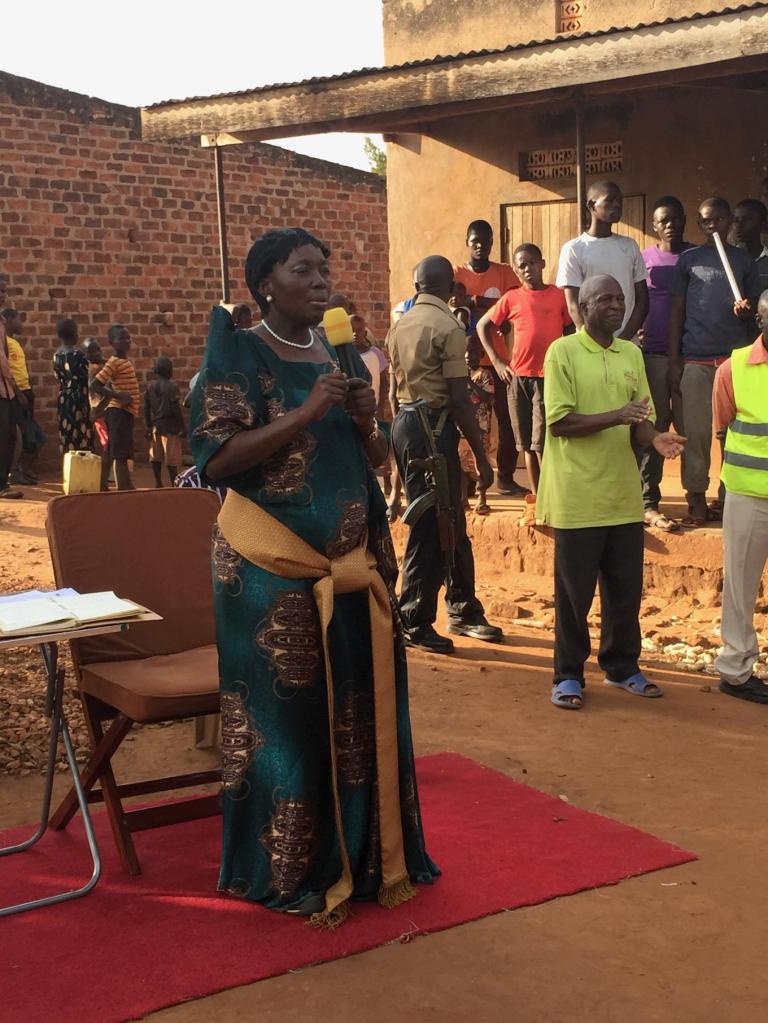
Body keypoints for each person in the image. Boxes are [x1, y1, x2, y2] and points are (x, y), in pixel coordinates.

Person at [190, 227, 438, 924]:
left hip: (353, 570)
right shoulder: (236, 354)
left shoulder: (336, 350)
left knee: (359, 714)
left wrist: (366, 422)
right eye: (305, 268)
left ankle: (367, 863)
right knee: (290, 728)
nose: (322, 278)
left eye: (325, 266)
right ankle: (289, 870)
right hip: (273, 574)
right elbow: (215, 459)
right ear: (267, 283)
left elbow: (380, 462)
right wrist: (305, 412)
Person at [536, 275, 686, 710]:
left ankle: (622, 667)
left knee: (624, 590)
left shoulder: (631, 354)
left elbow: (638, 419)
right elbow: (559, 422)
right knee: (573, 595)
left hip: (623, 496)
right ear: (582, 307)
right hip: (577, 497)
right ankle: (568, 676)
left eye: (621, 298)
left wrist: (653, 437)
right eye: (606, 298)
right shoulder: (562, 352)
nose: (616, 305)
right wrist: (618, 415)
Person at [388, 254, 503, 653]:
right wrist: (482, 457)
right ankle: (415, 619)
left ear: (418, 284)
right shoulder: (448, 327)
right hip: (432, 430)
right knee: (431, 525)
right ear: (449, 286)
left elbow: (393, 390)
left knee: (448, 518)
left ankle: (463, 606)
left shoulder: (399, 324)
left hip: (406, 426)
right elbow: (458, 398)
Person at [668, 197, 757, 526]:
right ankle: (695, 498)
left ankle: (728, 495)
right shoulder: (689, 261)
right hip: (696, 360)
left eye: (718, 219)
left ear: (729, 220)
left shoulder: (743, 261)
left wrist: (746, 314)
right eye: (706, 221)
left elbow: (754, 317)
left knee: (730, 434)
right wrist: (676, 360)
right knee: (696, 433)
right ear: (700, 225)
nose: (713, 226)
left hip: (733, 360)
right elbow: (677, 311)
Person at [476, 243, 572, 497]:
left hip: (547, 376)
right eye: (521, 265)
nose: (528, 269)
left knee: (542, 442)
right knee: (526, 442)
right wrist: (497, 361)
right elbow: (483, 325)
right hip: (518, 378)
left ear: (542, 263)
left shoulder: (558, 295)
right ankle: (538, 497)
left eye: (532, 263)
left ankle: (553, 494)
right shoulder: (511, 298)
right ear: (517, 272)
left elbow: (571, 331)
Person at [712, 290, 768, 705]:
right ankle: (735, 669)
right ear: (759, 321)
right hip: (749, 497)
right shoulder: (733, 369)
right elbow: (722, 431)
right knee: (741, 585)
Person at [453, 220, 527, 497]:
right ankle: (468, 481)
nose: (480, 246)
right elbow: (455, 306)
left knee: (507, 420)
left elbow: (513, 306)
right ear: (467, 242)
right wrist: (489, 305)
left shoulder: (505, 273)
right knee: (466, 425)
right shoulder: (457, 273)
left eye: (486, 240)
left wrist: (473, 302)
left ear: (493, 242)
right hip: (465, 362)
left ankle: (505, 478)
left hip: (500, 360)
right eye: (475, 241)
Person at [639, 197, 693, 531]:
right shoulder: (644, 259)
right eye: (663, 220)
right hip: (652, 357)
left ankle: (697, 499)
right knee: (653, 430)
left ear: (684, 220)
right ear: (654, 226)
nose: (670, 224)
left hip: (691, 357)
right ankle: (649, 502)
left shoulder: (696, 257)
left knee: (692, 432)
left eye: (675, 218)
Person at [556, 180, 649, 340]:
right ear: (592, 205)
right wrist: (595, 342)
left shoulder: (629, 246)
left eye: (619, 201)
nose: (617, 205)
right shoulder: (574, 249)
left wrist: (623, 340)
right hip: (590, 347)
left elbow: (642, 301)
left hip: (626, 344)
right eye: (610, 200)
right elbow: (573, 305)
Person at [91, 325, 139, 491]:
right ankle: (124, 486)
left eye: (128, 338)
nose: (126, 341)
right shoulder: (114, 362)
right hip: (118, 411)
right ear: (111, 342)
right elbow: (95, 385)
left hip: (124, 412)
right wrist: (119, 396)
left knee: (114, 451)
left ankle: (104, 485)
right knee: (120, 454)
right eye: (121, 339)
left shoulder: (122, 361)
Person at [2, 308, 41, 485]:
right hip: (16, 394)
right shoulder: (6, 342)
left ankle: (23, 469)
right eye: (19, 319)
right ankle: (17, 472)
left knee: (35, 435)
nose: (22, 323)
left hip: (25, 391)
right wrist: (18, 393)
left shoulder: (14, 343)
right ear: (9, 320)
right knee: (27, 436)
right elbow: (7, 370)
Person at [144, 356, 185, 488]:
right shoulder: (172, 387)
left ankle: (158, 482)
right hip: (170, 427)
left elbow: (147, 408)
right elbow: (175, 408)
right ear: (169, 371)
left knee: (156, 456)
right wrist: (182, 426)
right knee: (171, 457)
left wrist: (149, 426)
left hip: (156, 425)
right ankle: (174, 483)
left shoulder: (150, 387)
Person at [52, 318, 92, 455]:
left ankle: (70, 469)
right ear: (75, 334)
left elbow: (57, 376)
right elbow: (88, 377)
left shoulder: (56, 355)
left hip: (64, 400)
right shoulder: (78, 354)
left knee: (67, 434)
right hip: (80, 399)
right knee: (82, 434)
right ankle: (83, 469)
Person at [732, 198, 768, 333]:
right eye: (736, 220)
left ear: (763, 224)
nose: (739, 225)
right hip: (733, 337)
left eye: (747, 219)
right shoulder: (728, 261)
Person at [0, 314, 23, 499]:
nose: (3, 294)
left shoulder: (2, 322)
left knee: (9, 436)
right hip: (6, 387)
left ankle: (3, 483)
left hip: (6, 389)